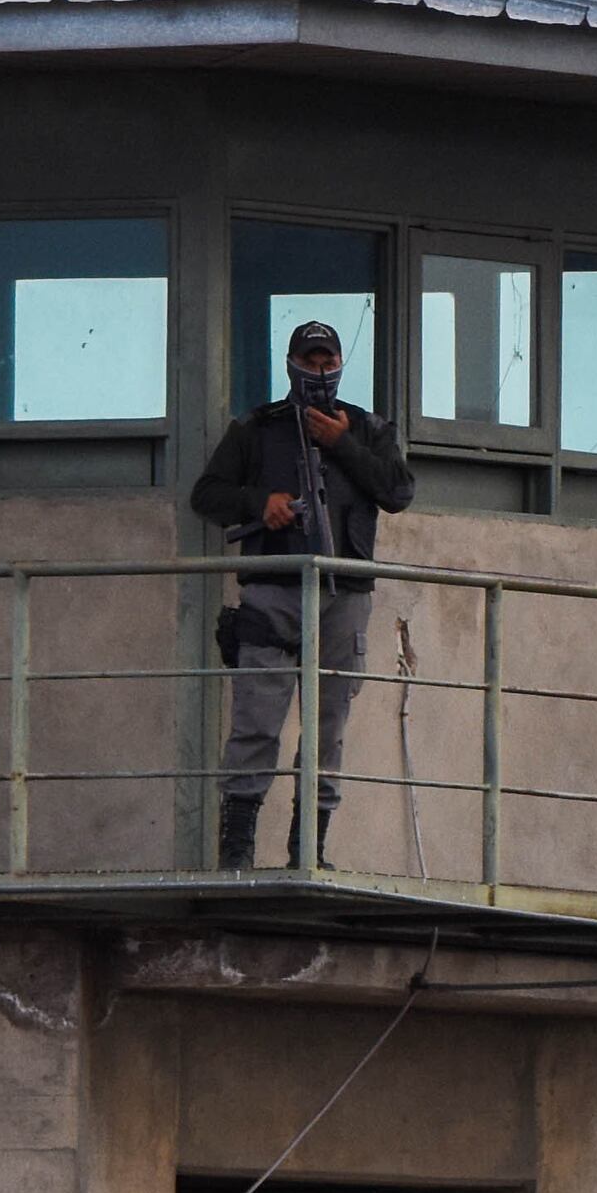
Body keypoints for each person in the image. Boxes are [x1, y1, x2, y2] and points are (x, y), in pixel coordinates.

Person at [190, 318, 417, 868]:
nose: (319, 371)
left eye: (327, 361)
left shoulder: (367, 428)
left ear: (339, 364)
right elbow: (207, 494)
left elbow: (397, 491)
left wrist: (341, 445)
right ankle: (236, 854)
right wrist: (258, 503)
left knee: (328, 731)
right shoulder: (257, 428)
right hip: (273, 591)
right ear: (291, 363)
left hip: (345, 594)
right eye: (310, 361)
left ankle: (308, 853)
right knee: (256, 725)